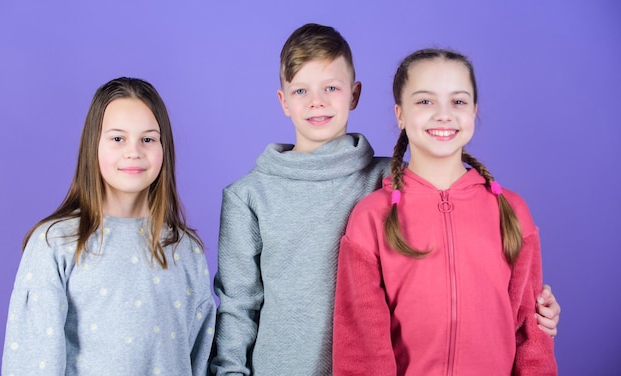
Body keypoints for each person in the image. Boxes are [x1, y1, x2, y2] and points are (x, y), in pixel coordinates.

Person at [211, 24, 559, 376]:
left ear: (354, 94)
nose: (317, 101)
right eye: (301, 90)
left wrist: (534, 311)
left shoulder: (389, 185)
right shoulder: (249, 196)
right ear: (283, 100)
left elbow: (461, 250)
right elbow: (238, 306)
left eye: (331, 87)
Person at [332, 48, 557, 375]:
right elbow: (361, 346)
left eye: (458, 101)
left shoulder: (513, 210)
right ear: (400, 114)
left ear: (474, 112)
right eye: (425, 101)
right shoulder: (370, 216)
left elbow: (531, 336)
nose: (443, 114)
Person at [2, 77, 216, 375]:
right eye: (118, 138)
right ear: (94, 145)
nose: (134, 152)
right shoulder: (56, 243)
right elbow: (33, 360)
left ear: (164, 147)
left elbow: (200, 359)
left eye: (148, 139)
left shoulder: (186, 250)